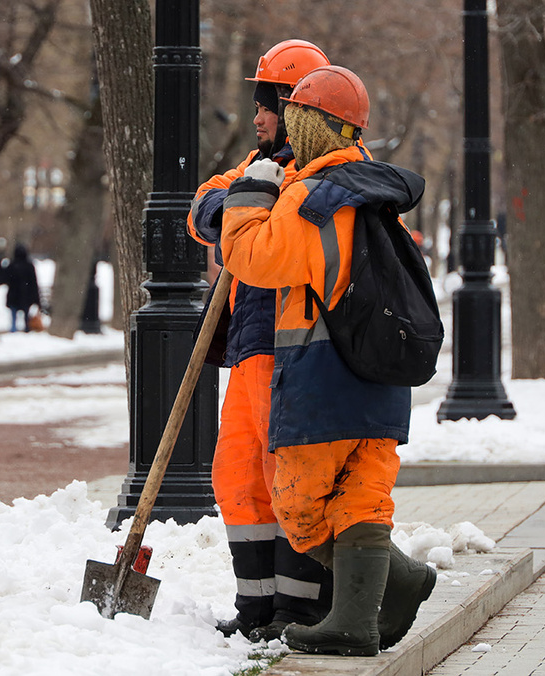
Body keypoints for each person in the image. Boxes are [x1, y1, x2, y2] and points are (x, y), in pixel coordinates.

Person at [220, 65, 435, 656]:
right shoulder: (377, 188)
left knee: (300, 508)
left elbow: (254, 259)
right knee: (363, 497)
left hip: (325, 378)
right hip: (383, 379)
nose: (286, 125)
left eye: (297, 118)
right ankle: (357, 623)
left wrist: (249, 197)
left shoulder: (314, 198)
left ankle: (395, 586)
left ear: (315, 126)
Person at [186, 39, 334, 642]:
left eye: (265, 106)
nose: (257, 118)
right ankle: (258, 608)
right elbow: (202, 210)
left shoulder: (325, 176)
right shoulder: (255, 169)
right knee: (238, 476)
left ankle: (301, 608)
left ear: (293, 107)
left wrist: (257, 204)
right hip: (251, 350)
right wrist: (246, 198)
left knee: (289, 481)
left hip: (297, 351)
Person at [0, 242, 40, 332]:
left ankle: (13, 329)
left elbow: (3, 279)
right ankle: (26, 329)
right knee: (26, 314)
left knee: (13, 315)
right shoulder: (29, 266)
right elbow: (34, 283)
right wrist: (36, 299)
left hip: (13, 295)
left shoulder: (12, 265)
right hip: (26, 295)